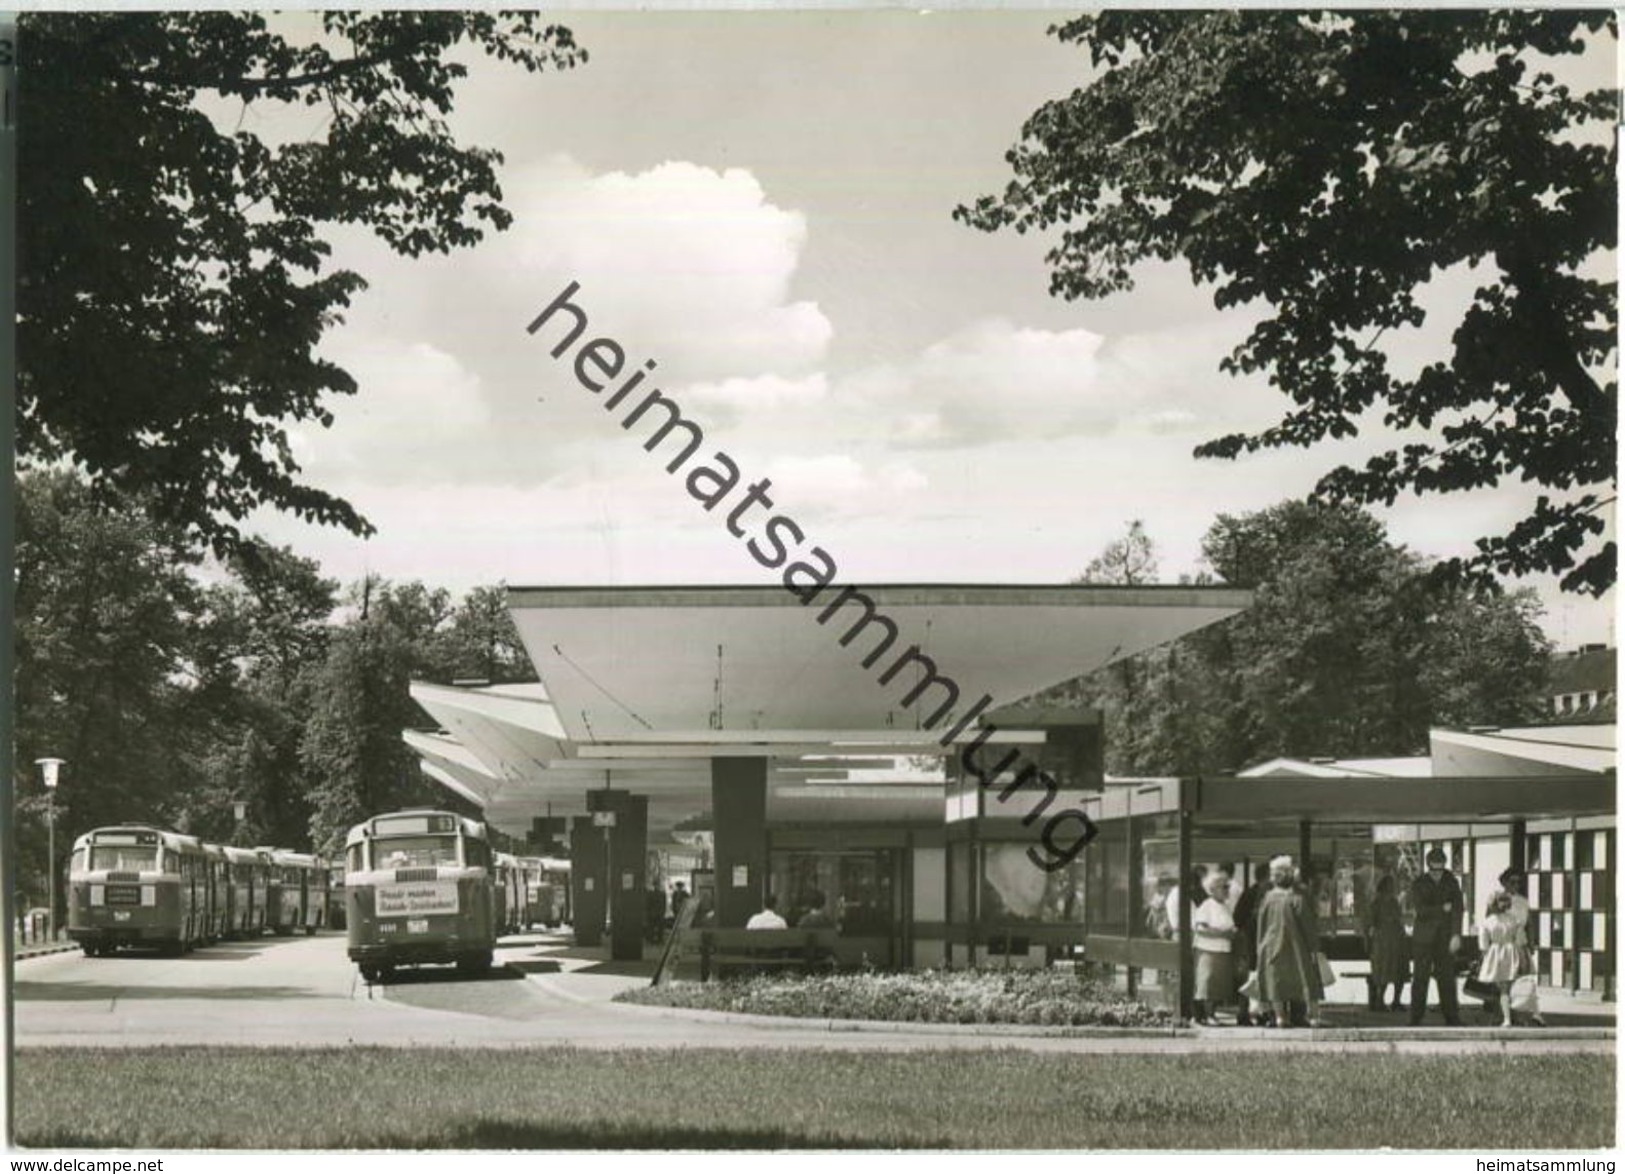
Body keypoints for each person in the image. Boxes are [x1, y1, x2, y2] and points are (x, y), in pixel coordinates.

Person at [1255, 855, 1324, 1028]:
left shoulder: (1268, 898)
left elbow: (1261, 925)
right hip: (1296, 947)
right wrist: (1314, 947)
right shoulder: (1297, 898)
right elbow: (1308, 925)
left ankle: (1280, 1017)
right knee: (1302, 979)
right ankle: (1308, 1016)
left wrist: (1260, 946)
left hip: (1271, 946)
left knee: (1276, 982)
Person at [1408, 847, 1464, 1026]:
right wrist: (1441, 909)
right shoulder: (1419, 883)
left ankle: (1452, 1017)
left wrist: (1456, 934)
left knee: (1447, 978)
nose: (1437, 874)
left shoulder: (1452, 882)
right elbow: (1420, 910)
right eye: (1433, 870)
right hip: (1423, 939)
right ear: (1428, 867)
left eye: (1440, 869)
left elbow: (1457, 909)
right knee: (1420, 979)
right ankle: (1416, 1018)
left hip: (1445, 938)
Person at [1497, 867, 1546, 1027]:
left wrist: (1531, 944)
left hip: (1520, 944)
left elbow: (1530, 925)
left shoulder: (1523, 901)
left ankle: (1535, 1014)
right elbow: (1490, 923)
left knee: (1525, 980)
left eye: (1518, 882)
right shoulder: (1496, 899)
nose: (1515, 885)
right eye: (1512, 882)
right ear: (1504, 882)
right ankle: (1507, 1017)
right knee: (1505, 981)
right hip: (1503, 944)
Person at [1192, 873, 1237, 1026]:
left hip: (1223, 950)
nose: (1227, 890)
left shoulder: (1225, 906)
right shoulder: (1207, 905)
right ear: (1212, 889)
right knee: (1208, 984)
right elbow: (1200, 928)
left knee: (1219, 985)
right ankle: (1207, 1015)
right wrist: (1222, 934)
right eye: (1224, 887)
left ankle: (1212, 1014)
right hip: (1208, 950)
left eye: (1228, 886)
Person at [1476, 892, 1525, 1028]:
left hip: (1495, 953)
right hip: (1511, 952)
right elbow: (1520, 940)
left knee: (1501, 989)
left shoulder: (1487, 922)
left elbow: (1483, 944)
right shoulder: (1514, 920)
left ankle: (1506, 1018)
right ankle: (1508, 1017)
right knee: (1508, 988)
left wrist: (1485, 958)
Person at [1364, 873, 1410, 1012]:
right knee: (1388, 971)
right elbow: (1371, 923)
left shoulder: (1390, 901)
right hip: (1386, 942)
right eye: (1391, 885)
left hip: (1392, 941)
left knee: (1393, 971)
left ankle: (1389, 1000)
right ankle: (1385, 1000)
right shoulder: (1379, 902)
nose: (1393, 888)